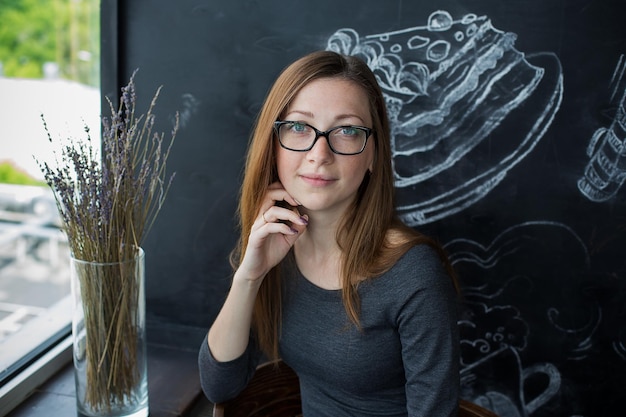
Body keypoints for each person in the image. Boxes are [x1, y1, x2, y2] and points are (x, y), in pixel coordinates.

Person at [198, 50, 460, 417]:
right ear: (273, 144)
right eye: (299, 127)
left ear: (373, 154)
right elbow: (219, 386)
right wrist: (249, 275)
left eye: (348, 131)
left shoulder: (414, 275)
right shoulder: (277, 243)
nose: (319, 154)